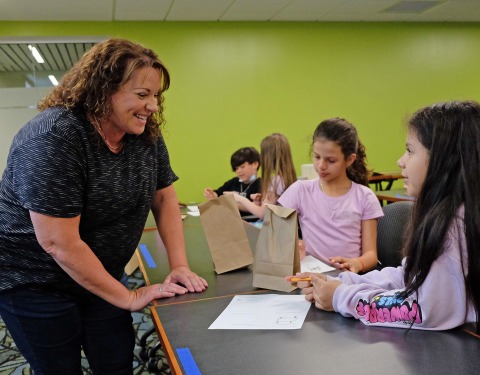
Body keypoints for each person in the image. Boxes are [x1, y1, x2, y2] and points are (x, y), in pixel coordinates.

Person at [287, 101, 480, 373]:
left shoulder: (465, 220)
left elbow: (423, 311)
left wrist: (341, 297)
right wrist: (347, 282)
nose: (401, 161)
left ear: (445, 158)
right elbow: (413, 275)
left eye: (409, 150)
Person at [0, 38, 208, 374]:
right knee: (59, 368)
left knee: (115, 362)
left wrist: (180, 265)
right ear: (101, 91)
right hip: (35, 282)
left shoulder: (144, 134)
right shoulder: (54, 137)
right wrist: (127, 298)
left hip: (101, 271)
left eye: (156, 96)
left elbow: (164, 196)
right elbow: (57, 241)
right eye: (142, 95)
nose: (152, 105)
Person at [278, 118, 383, 273]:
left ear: (350, 160)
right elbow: (275, 234)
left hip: (348, 281)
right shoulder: (300, 191)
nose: (321, 166)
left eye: (331, 160)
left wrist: (357, 263)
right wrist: (293, 245)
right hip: (312, 278)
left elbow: (371, 255)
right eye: (316, 157)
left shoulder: (364, 197)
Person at [228, 133, 297, 220]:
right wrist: (262, 200)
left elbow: (262, 213)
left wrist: (239, 198)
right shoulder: (287, 178)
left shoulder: (276, 181)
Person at [203, 147, 262, 215]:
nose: (239, 171)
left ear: (255, 164)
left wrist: (231, 204)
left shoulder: (262, 184)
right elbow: (219, 193)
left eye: (242, 167)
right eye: (236, 168)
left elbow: (258, 208)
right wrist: (212, 195)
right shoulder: (234, 181)